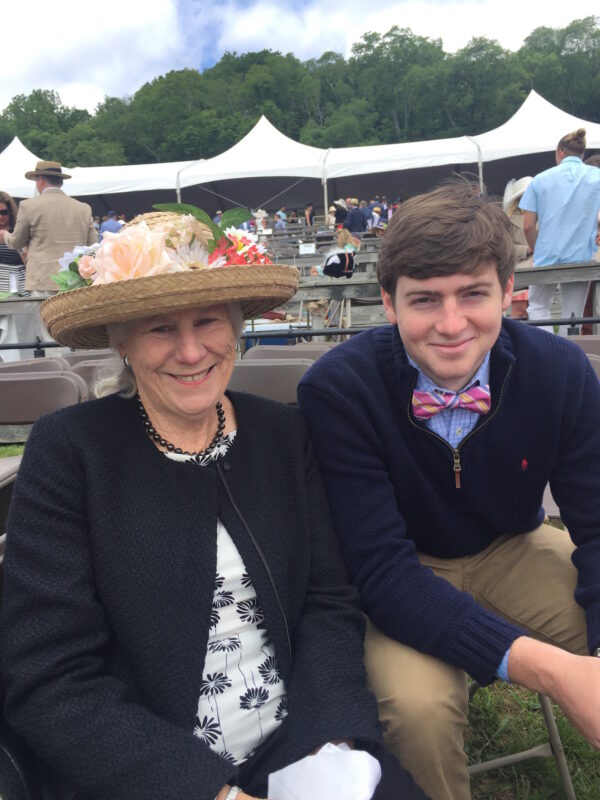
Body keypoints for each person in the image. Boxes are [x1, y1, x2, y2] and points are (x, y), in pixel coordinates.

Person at [0, 211, 426, 800]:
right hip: (150, 770)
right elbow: (49, 677)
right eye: (159, 329)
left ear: (238, 328)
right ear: (120, 340)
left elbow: (328, 602)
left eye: (208, 322)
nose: (192, 350)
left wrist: (332, 749)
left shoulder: (283, 434)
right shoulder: (72, 450)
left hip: (299, 744)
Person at [298, 181, 600, 800]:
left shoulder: (560, 371)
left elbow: (596, 522)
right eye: (425, 300)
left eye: (473, 294)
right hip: (397, 573)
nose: (451, 323)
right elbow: (380, 569)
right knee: (418, 711)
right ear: (387, 303)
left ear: (509, 292)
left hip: (513, 547)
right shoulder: (338, 389)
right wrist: (559, 672)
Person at [520, 128, 600, 334]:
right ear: (582, 154)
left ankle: (545, 353)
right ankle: (568, 355)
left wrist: (537, 249)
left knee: (538, 309)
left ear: (560, 152)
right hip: (582, 256)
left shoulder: (539, 179)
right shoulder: (597, 177)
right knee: (574, 315)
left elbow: (528, 225)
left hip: (546, 256)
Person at [0, 160, 97, 294]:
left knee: (42, 315)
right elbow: (93, 246)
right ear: (60, 181)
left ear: (40, 180)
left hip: (43, 280)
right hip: (75, 281)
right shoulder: (84, 208)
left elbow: (17, 243)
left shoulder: (28, 206)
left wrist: (5, 235)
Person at [502, 177, 533, 319]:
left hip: (539, 269)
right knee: (518, 311)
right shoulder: (508, 220)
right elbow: (504, 247)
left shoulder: (542, 215)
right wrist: (525, 250)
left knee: (535, 311)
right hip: (520, 269)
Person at [0, 191, 25, 268]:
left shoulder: (20, 230)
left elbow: (29, 261)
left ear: (11, 211)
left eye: (4, 212)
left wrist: (12, 240)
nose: (0, 216)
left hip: (17, 277)